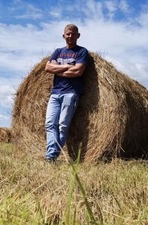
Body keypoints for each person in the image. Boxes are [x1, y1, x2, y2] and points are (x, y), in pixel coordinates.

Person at [44, 23, 89, 163]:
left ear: (78, 36)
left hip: (71, 93)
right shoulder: (58, 51)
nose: (70, 36)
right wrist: (68, 67)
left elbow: (78, 71)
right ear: (63, 36)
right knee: (50, 124)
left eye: (73, 33)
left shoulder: (82, 52)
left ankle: (51, 157)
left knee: (63, 125)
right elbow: (48, 68)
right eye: (68, 33)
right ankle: (51, 155)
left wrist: (58, 68)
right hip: (55, 93)